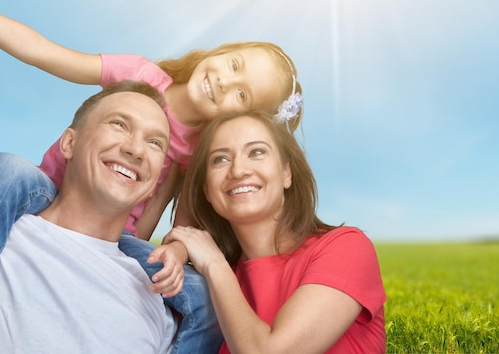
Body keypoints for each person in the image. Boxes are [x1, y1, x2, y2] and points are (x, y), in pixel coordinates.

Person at [0, 0, 303, 352]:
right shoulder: (139, 76)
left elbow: (178, 225)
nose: (225, 82)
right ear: (224, 51)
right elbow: (41, 50)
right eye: (234, 65)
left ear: (239, 116)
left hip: (114, 236)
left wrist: (166, 253)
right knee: (7, 169)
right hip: (50, 195)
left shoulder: (199, 151)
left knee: (201, 295)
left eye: (241, 94)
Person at [0, 80, 181, 353]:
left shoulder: (157, 304)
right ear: (69, 143)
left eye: (155, 143)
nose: (136, 150)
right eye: (119, 124)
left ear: (154, 182)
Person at [165, 110, 386, 353]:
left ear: (286, 173)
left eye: (256, 152)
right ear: (206, 189)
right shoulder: (214, 287)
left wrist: (215, 264)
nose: (238, 170)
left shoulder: (347, 249)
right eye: (220, 159)